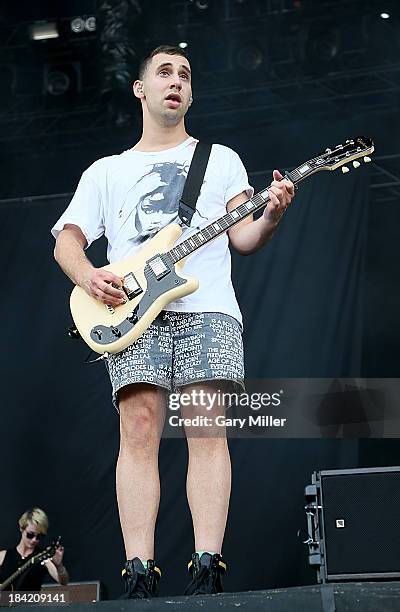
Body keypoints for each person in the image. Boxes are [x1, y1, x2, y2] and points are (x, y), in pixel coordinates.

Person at [52, 45, 294, 598]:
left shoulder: (222, 159)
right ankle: (138, 570)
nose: (176, 81)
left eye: (185, 74)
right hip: (133, 310)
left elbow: (245, 237)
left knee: (206, 430)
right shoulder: (106, 171)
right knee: (137, 431)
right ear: (140, 90)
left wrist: (274, 213)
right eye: (164, 73)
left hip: (207, 307)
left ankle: (208, 564)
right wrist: (90, 279)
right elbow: (68, 242)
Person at [0, 508, 69, 591]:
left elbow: (63, 582)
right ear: (21, 529)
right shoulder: (3, 556)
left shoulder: (43, 557)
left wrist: (59, 565)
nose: (34, 540)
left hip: (30, 603)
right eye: (30, 535)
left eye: (39, 537)